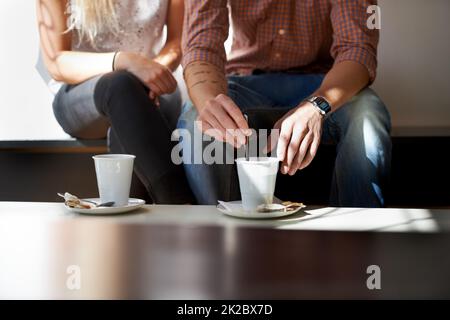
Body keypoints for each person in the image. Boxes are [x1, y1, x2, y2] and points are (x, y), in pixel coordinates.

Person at [178, 0, 391, 207]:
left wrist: (315, 106)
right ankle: (217, 229)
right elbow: (200, 45)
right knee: (195, 118)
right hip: (245, 82)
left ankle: (357, 233)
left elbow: (360, 48)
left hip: (323, 83)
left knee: (367, 113)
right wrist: (210, 103)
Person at [36, 0, 194, 204]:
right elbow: (56, 62)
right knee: (121, 84)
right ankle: (180, 204)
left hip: (147, 92)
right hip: (82, 99)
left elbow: (177, 40)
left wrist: (150, 73)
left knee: (133, 108)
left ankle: (132, 226)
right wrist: (123, 61)